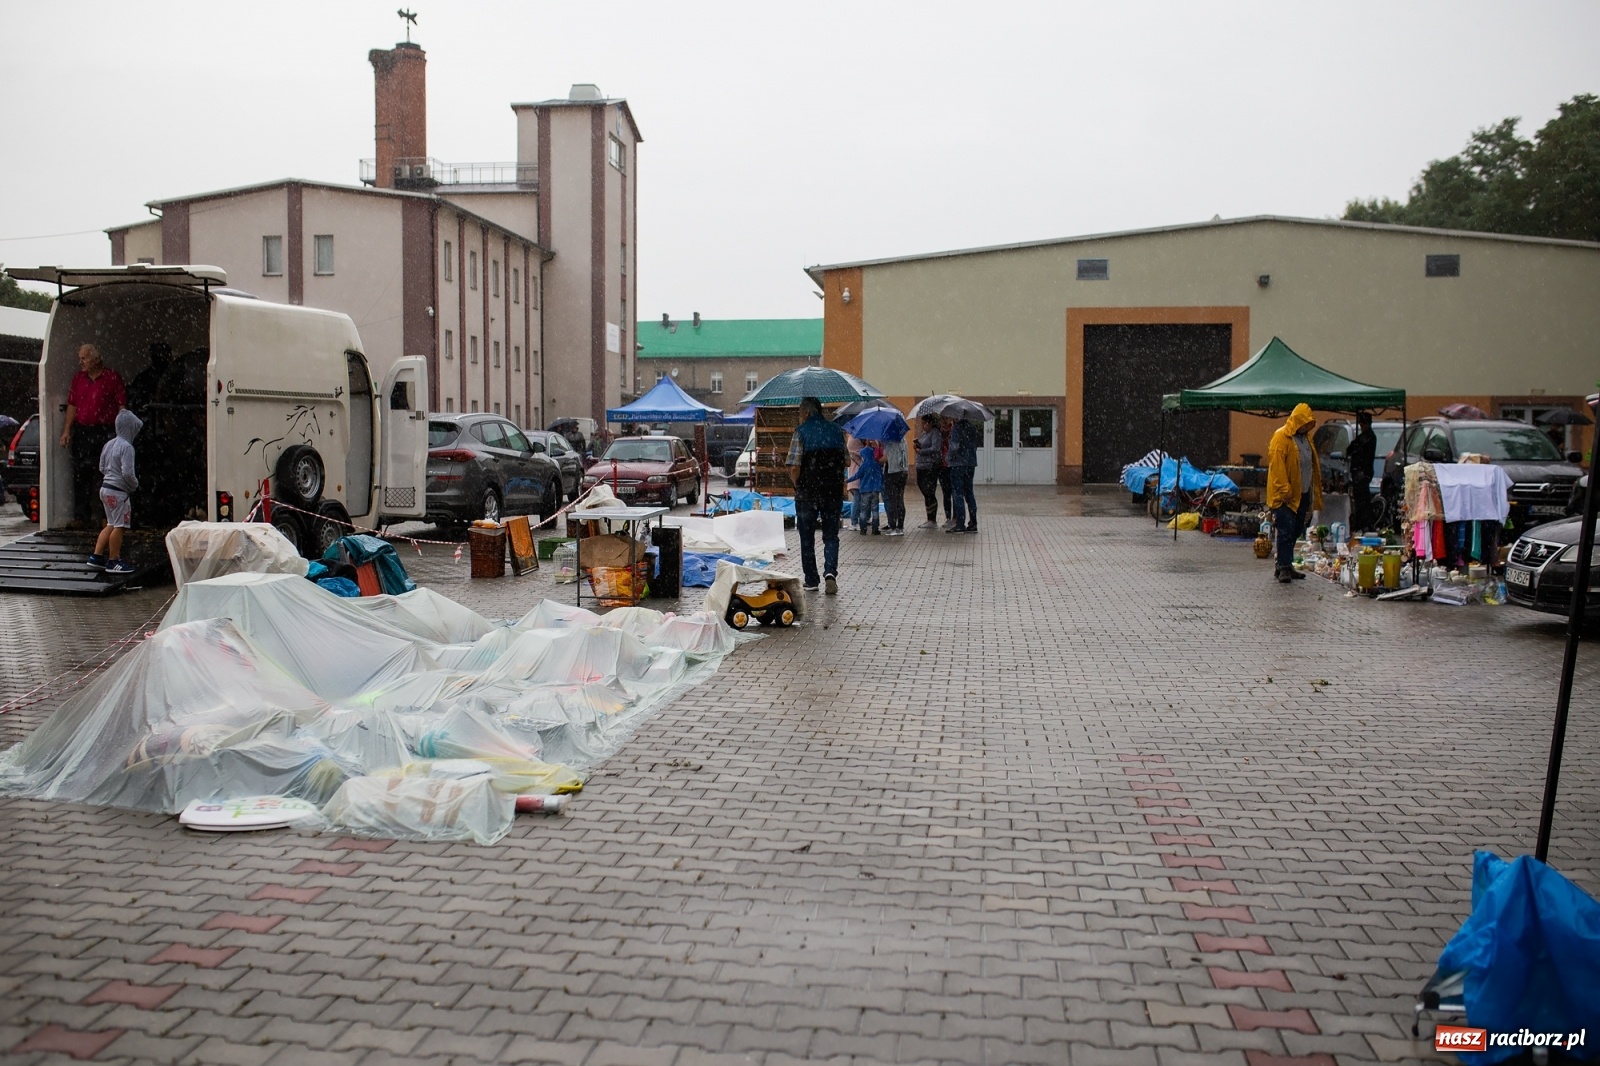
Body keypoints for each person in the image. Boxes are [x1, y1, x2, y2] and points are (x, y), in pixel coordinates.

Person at [786, 396, 848, 594]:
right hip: (832, 491)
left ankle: (811, 580)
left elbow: (794, 466)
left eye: (799, 411)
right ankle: (830, 573)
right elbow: (846, 461)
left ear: (806, 412)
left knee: (807, 537)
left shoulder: (801, 432)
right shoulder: (837, 431)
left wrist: (797, 483)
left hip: (807, 492)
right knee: (831, 536)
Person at [60, 343, 127, 527]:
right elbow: (72, 405)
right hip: (83, 431)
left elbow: (121, 405)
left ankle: (107, 517)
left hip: (105, 431)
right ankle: (81, 517)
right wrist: (66, 431)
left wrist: (122, 433)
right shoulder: (78, 379)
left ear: (96, 359)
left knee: (106, 475)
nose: (80, 362)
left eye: (84, 358)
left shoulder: (112, 378)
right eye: (80, 358)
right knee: (81, 474)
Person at [1266, 402, 1323, 583]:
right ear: (1298, 421)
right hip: (1285, 496)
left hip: (1302, 493)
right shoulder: (1281, 437)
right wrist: (1286, 491)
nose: (1308, 427)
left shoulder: (1306, 439)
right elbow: (1277, 468)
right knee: (1285, 530)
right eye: (1306, 423)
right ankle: (1283, 567)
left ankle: (1286, 564)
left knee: (1296, 529)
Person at [87, 408, 142, 575]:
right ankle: (114, 560)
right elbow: (127, 472)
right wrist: (134, 485)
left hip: (105, 489)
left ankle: (96, 556)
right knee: (119, 526)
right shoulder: (127, 448)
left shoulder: (109, 444)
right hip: (119, 493)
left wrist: (110, 478)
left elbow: (102, 467)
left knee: (110, 523)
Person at [945, 416, 979, 533]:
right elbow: (975, 446)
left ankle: (960, 523)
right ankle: (973, 522)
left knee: (957, 493)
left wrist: (948, 458)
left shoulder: (957, 428)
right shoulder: (972, 428)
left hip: (958, 464)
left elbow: (954, 447)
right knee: (969, 492)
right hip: (970, 463)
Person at [1346, 412, 1377, 532]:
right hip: (1363, 472)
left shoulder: (1367, 437)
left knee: (1362, 501)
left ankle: (1364, 524)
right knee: (1362, 500)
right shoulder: (1369, 436)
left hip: (1361, 473)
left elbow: (1351, 449)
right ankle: (1364, 523)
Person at [847, 441, 884, 535]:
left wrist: (847, 480)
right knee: (875, 510)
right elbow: (880, 476)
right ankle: (875, 529)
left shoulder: (863, 466)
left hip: (865, 491)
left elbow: (857, 476)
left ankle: (863, 529)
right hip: (875, 490)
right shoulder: (876, 464)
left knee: (863, 510)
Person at [914, 415, 943, 528]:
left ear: (930, 423)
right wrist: (918, 445)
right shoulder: (924, 433)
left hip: (930, 466)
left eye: (924, 423)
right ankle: (929, 517)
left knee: (929, 491)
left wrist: (922, 451)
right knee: (924, 489)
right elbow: (924, 445)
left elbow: (935, 448)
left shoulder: (935, 433)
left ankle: (932, 519)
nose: (923, 426)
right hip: (921, 466)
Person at [880, 432, 908, 535]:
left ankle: (892, 527)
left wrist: (878, 460)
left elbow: (886, 458)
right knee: (900, 499)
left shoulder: (890, 440)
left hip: (892, 472)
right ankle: (900, 527)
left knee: (892, 500)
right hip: (903, 471)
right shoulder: (903, 438)